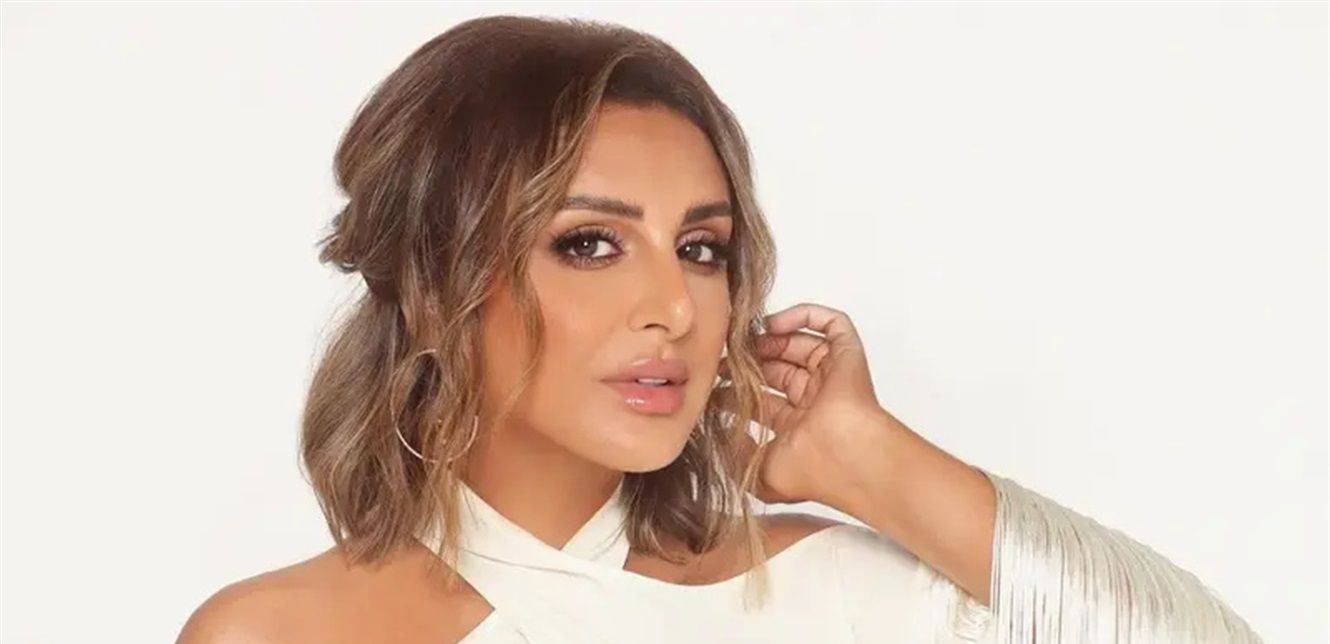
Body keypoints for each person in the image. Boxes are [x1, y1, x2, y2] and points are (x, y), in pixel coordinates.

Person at [176, 14, 1262, 644]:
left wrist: (865, 459)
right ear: (435, 278)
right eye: (590, 243)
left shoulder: (833, 594)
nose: (679, 306)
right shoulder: (278, 633)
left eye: (702, 248)